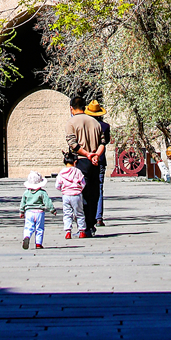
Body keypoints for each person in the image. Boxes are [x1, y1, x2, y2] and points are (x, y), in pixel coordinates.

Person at [65, 95, 103, 236]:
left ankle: (84, 227)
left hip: (81, 161)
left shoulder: (71, 123)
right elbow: (102, 143)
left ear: (71, 108)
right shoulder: (95, 122)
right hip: (95, 162)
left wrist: (87, 154)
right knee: (94, 193)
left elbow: (73, 144)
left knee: (82, 195)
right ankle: (91, 225)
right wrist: (96, 155)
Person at [85, 100, 110, 227]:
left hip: (86, 159)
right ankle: (98, 217)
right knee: (99, 188)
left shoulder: (85, 125)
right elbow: (105, 142)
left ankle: (86, 216)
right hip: (100, 159)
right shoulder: (105, 126)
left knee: (85, 188)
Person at [19, 171, 56, 249]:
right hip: (39, 212)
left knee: (28, 226)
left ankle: (27, 236)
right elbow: (47, 202)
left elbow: (23, 202)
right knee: (39, 228)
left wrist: (21, 211)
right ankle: (38, 243)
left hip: (29, 212)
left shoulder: (26, 193)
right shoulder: (42, 192)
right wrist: (52, 210)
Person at [55, 150, 86, 239]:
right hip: (76, 195)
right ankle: (82, 231)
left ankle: (68, 231)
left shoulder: (61, 172)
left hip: (66, 195)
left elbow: (57, 185)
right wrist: (79, 189)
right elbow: (83, 183)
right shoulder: (78, 171)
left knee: (67, 213)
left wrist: (63, 189)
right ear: (75, 162)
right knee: (79, 213)